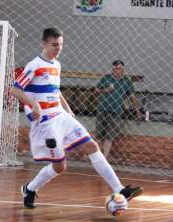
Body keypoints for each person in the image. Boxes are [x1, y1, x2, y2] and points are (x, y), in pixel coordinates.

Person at [10, 27, 142, 209]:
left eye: (61, 45)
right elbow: (15, 90)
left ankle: (120, 189)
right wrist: (34, 105)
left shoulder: (56, 65)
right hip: (46, 123)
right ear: (44, 43)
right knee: (60, 167)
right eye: (54, 45)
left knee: (92, 146)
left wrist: (67, 107)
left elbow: (54, 90)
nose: (58, 48)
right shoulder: (34, 66)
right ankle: (30, 188)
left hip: (61, 116)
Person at [95, 60, 141, 157]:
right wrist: (106, 90)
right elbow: (96, 91)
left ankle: (104, 157)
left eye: (119, 68)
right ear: (112, 69)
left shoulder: (127, 81)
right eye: (115, 68)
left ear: (123, 70)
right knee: (99, 135)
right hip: (102, 109)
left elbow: (133, 97)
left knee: (109, 136)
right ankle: (96, 156)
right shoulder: (106, 78)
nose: (117, 70)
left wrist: (137, 111)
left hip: (116, 111)